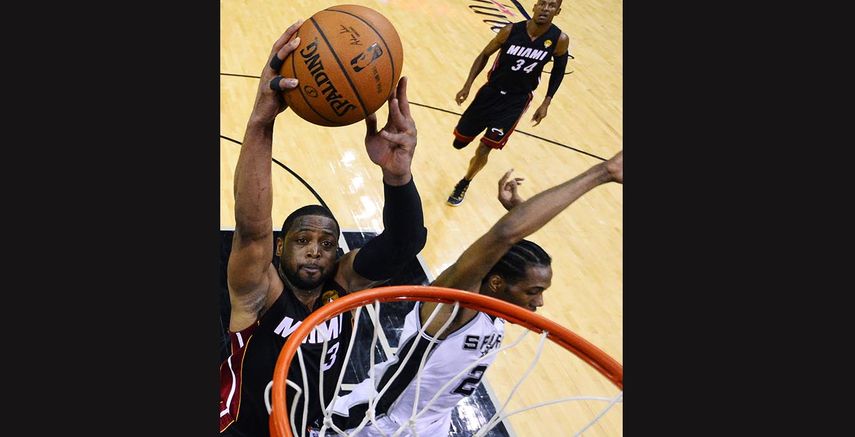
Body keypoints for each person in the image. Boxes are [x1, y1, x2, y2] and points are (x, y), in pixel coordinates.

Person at [219, 21, 428, 437]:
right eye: (302, 240)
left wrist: (398, 175)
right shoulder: (260, 292)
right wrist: (262, 120)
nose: (315, 250)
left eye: (327, 243)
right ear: (280, 249)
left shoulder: (341, 288)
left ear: (338, 254)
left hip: (303, 428)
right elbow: (253, 226)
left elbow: (405, 242)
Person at [329, 151, 623, 436]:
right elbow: (503, 236)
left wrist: (519, 213)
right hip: (376, 422)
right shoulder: (455, 306)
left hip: (432, 424)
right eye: (533, 292)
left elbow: (507, 250)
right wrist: (603, 172)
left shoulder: (498, 306)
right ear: (495, 284)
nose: (539, 302)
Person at [447, 0, 570, 206]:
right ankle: (465, 143)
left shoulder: (559, 40)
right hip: (490, 93)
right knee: (459, 142)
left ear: (557, 11)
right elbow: (485, 54)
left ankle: (464, 182)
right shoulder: (510, 31)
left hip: (516, 101)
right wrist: (467, 85)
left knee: (485, 148)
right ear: (534, 6)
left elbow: (558, 71)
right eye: (542, 4)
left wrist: (546, 102)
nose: (545, 9)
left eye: (551, 6)